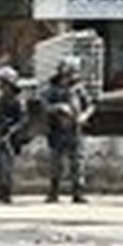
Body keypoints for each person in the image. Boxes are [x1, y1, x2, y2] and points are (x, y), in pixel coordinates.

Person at [42, 58, 95, 203]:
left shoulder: (79, 89)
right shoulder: (51, 89)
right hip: (57, 130)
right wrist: (59, 107)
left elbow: (90, 105)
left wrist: (83, 116)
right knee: (56, 162)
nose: (71, 77)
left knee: (77, 162)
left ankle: (78, 192)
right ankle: (54, 191)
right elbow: (45, 106)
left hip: (75, 129)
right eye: (69, 73)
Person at [0, 66, 29, 204]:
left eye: (4, 83)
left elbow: (23, 120)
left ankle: (7, 192)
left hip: (11, 138)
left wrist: (11, 131)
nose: (1, 86)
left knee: (7, 166)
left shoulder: (18, 101)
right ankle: (0, 190)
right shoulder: (0, 100)